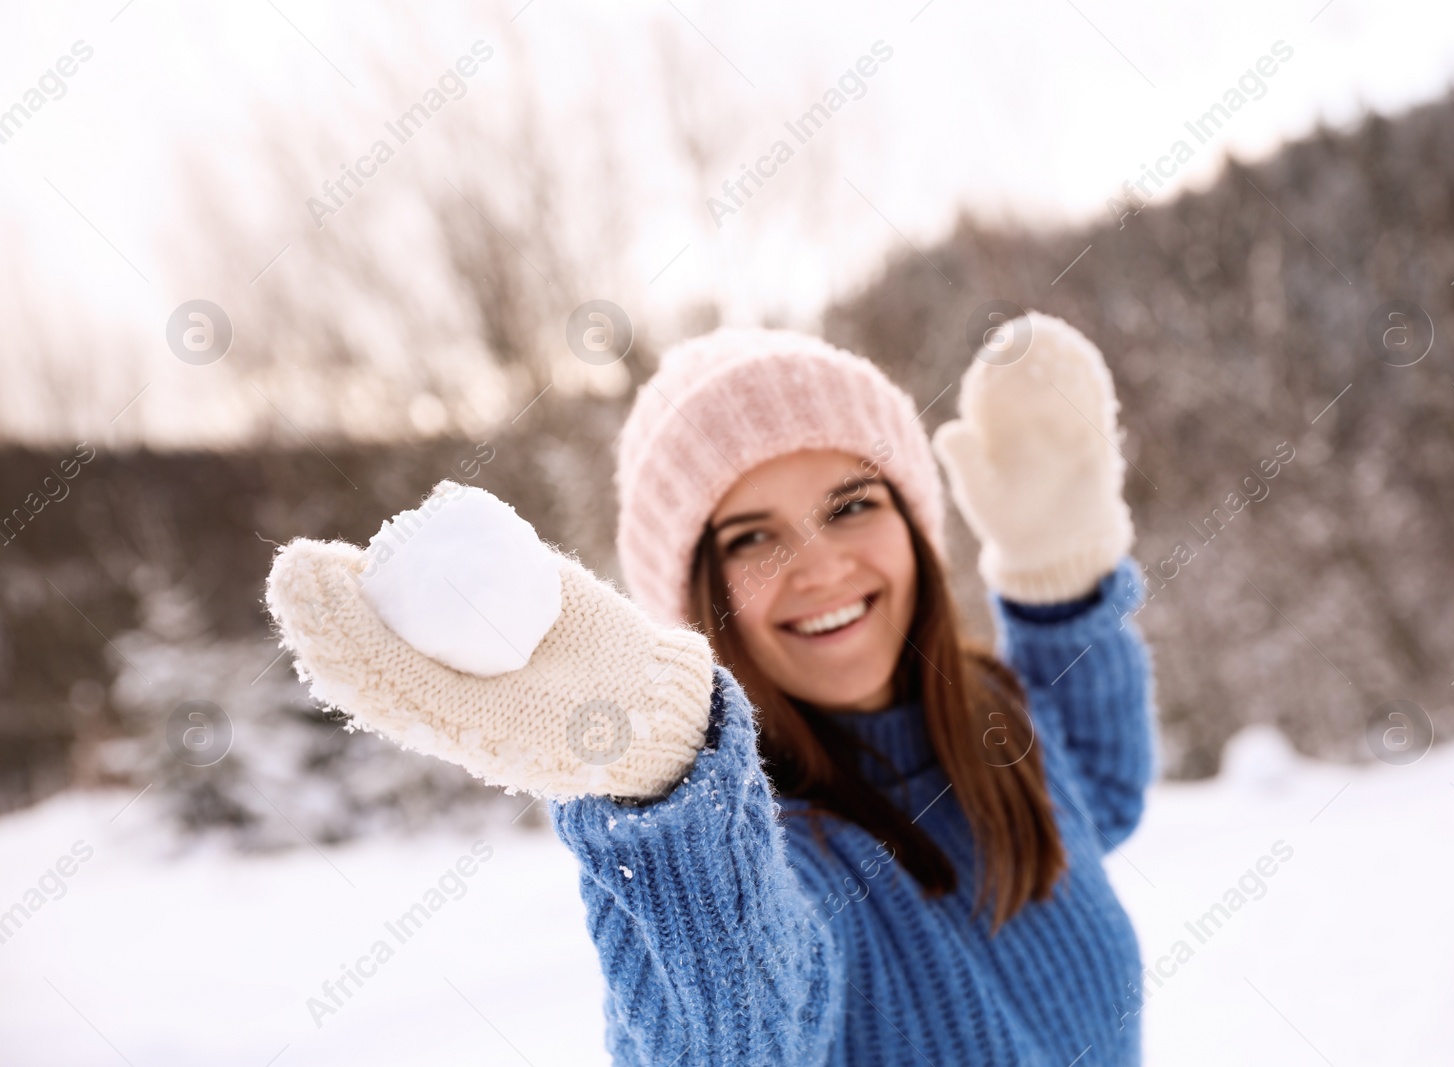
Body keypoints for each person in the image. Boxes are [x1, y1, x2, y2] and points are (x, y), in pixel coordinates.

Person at [264, 311, 1157, 1065]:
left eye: (851, 505)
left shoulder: (994, 722)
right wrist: (667, 776)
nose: (820, 567)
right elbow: (740, 1041)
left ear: (914, 528)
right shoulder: (768, 845)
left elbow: (1103, 795)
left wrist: (1060, 576)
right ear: (699, 599)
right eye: (751, 539)